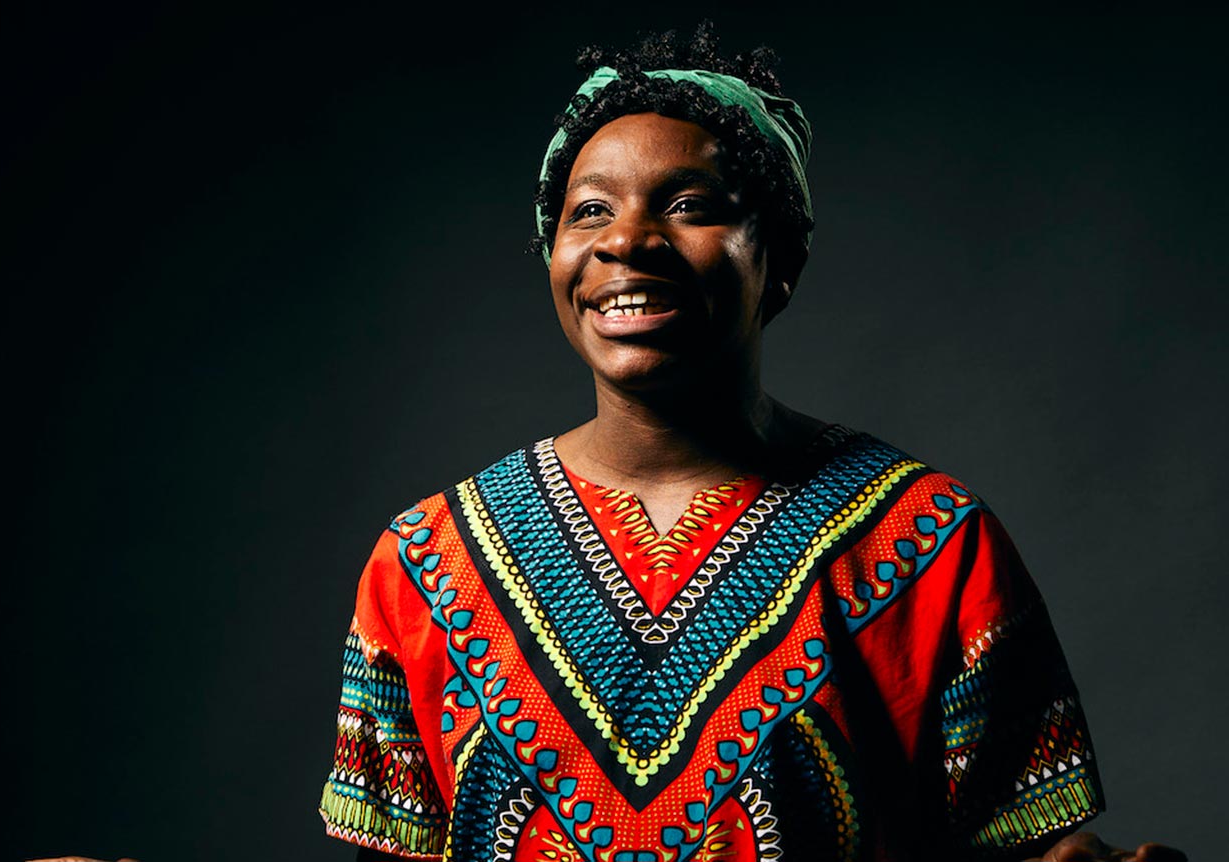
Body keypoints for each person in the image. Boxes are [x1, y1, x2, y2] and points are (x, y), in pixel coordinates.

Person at [314, 22, 1185, 862]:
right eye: (589, 212)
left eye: (690, 205)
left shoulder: (930, 541)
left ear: (782, 257)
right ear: (554, 255)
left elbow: (1027, 841)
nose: (626, 240)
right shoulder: (425, 562)